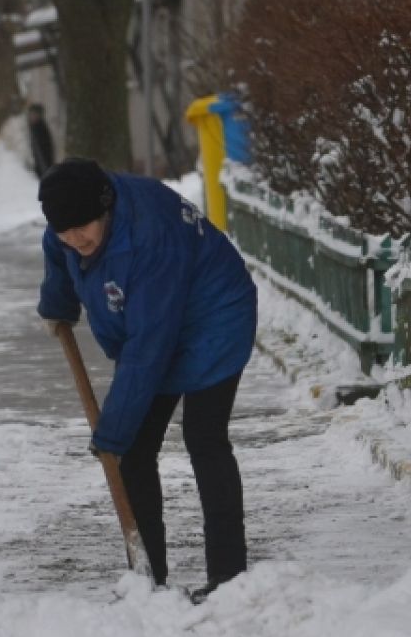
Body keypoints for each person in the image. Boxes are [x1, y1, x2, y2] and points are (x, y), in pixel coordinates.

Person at [36, 157, 257, 602]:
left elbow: (147, 351)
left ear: (106, 209)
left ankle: (229, 579)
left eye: (84, 228)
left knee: (204, 439)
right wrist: (58, 306)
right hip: (156, 325)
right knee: (134, 452)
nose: (76, 238)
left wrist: (111, 431)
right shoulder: (70, 221)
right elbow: (59, 256)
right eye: (66, 230)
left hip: (214, 318)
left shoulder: (149, 238)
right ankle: (146, 574)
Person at [27, 104, 55, 179]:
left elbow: (41, 153)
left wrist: (44, 172)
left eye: (34, 114)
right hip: (39, 169)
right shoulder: (33, 128)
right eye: (31, 114)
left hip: (42, 169)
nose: (32, 117)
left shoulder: (40, 129)